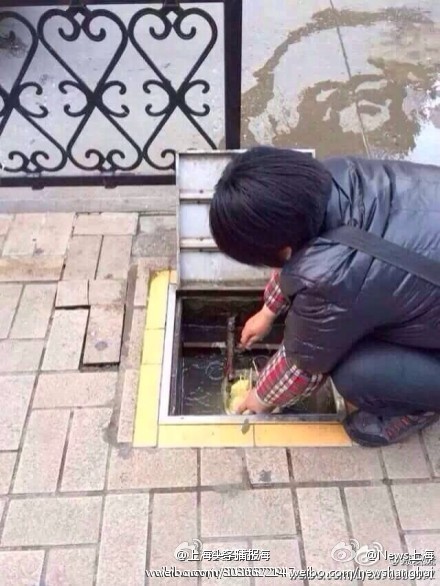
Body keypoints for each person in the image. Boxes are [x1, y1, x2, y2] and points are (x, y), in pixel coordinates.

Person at [209, 146, 440, 447]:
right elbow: (299, 250)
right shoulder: (337, 174)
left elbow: (304, 364)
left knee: (355, 373)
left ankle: (418, 409)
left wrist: (260, 397)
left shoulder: (331, 276)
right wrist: (268, 310)